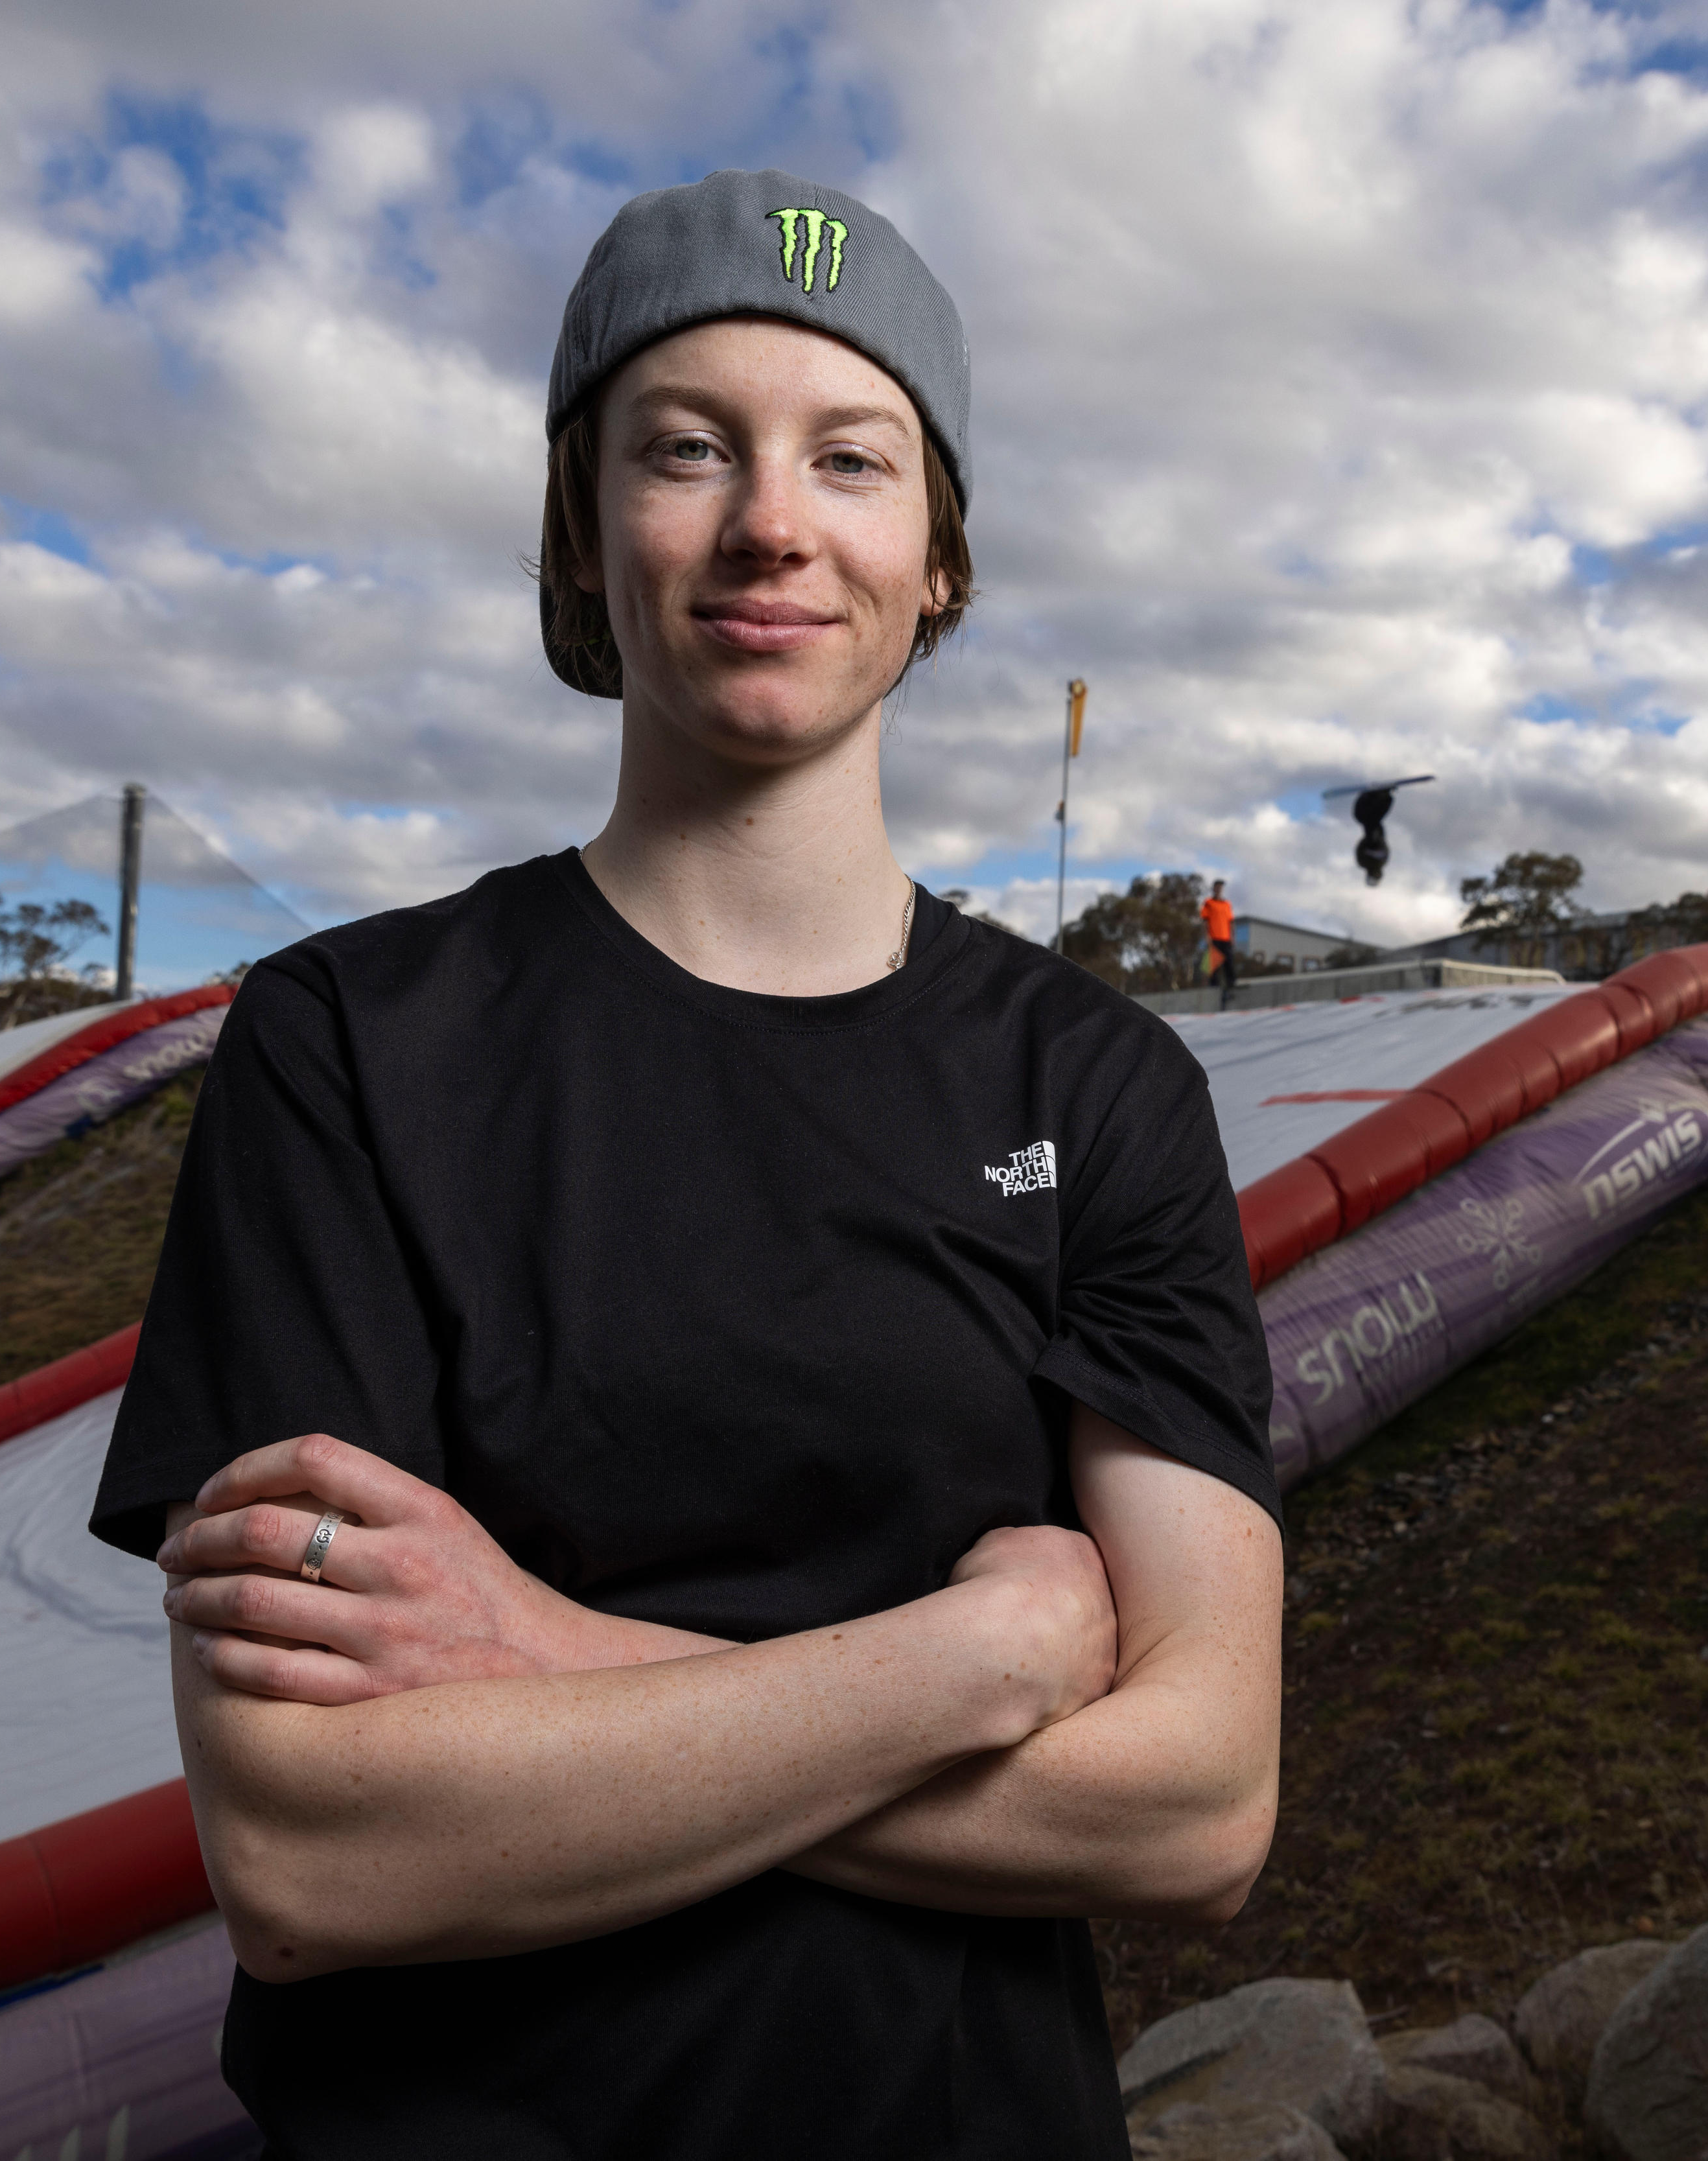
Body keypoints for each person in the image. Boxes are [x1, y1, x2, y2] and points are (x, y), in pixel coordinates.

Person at [88, 168, 1283, 2160]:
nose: (770, 523)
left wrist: (546, 1657)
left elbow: (1192, 1805)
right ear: (579, 531)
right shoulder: (351, 1049)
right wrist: (971, 1656)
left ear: (939, 559)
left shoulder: (1102, 1085)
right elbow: (312, 1853)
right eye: (684, 449)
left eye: (850, 456)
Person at [1202, 878, 1239, 1009]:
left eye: (1221, 887)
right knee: (1213, 965)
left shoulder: (1227, 904)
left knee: (1229, 962)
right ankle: (1214, 988)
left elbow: (1231, 921)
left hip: (1226, 938)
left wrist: (1233, 937)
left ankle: (1232, 984)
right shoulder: (1208, 902)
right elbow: (1205, 921)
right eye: (1217, 887)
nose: (1219, 889)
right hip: (1214, 937)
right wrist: (1207, 936)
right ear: (1214, 888)